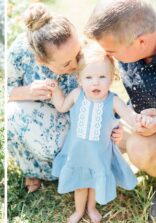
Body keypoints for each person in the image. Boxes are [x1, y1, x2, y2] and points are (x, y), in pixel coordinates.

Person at [7, 3, 122, 193]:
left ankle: (75, 169)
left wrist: (113, 125)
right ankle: (33, 171)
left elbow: (106, 94)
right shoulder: (20, 52)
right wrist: (28, 91)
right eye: (67, 63)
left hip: (79, 123)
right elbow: (6, 88)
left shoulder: (87, 51)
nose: (77, 63)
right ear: (41, 61)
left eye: (77, 53)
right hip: (38, 121)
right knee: (12, 114)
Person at [49, 42, 147, 223]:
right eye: (89, 77)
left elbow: (130, 117)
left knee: (94, 182)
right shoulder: (77, 94)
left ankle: (91, 207)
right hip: (78, 153)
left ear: (112, 78)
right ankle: (78, 211)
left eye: (102, 76)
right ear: (79, 79)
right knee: (80, 183)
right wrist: (55, 91)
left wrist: (141, 120)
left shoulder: (113, 100)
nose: (95, 82)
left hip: (99, 154)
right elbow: (62, 106)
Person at [84, 0, 156, 219]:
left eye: (112, 51)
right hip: (138, 118)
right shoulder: (129, 45)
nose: (109, 56)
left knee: (138, 148)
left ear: (141, 42)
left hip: (147, 131)